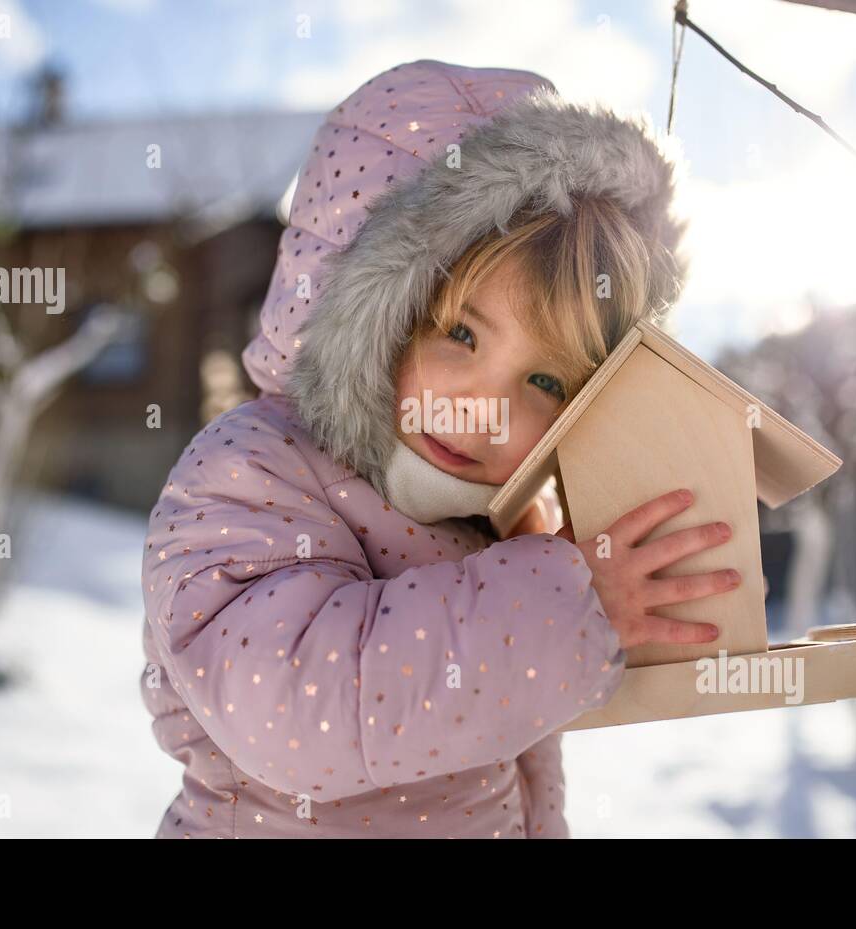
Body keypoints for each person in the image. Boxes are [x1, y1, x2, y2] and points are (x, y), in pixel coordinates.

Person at [140, 59, 739, 838]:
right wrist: (574, 604)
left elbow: (511, 761)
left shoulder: (505, 525)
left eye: (547, 382)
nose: (488, 409)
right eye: (458, 333)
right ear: (361, 303)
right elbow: (296, 709)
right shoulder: (254, 469)